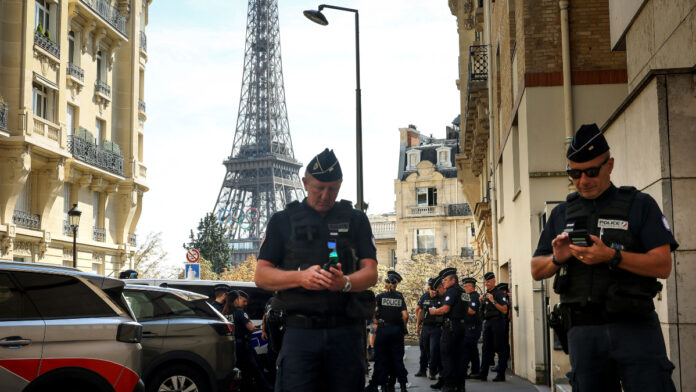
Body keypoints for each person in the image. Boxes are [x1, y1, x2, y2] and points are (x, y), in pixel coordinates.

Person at [531, 123, 678, 391]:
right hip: (584, 333)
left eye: (591, 171)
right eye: (574, 173)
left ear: (609, 165)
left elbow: (663, 264)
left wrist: (611, 256)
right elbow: (536, 269)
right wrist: (557, 258)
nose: (583, 180)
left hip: (635, 327)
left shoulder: (640, 205)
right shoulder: (561, 214)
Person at [254, 148, 378, 392]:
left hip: (345, 331)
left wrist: (345, 283)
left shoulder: (356, 219)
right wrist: (301, 277)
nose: (325, 195)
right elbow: (261, 276)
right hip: (300, 332)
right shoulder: (282, 220)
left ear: (341, 184)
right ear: (304, 182)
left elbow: (371, 273)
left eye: (333, 188)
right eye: (318, 188)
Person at [366, 271, 409, 392]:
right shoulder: (400, 298)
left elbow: (372, 311)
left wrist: (375, 321)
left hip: (383, 330)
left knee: (382, 358)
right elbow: (405, 316)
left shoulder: (379, 297)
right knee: (397, 359)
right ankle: (402, 385)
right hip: (396, 331)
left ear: (386, 285)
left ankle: (381, 384)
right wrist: (403, 327)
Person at [428, 268, 470, 392]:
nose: (444, 283)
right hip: (462, 327)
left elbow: (445, 309)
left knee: (447, 357)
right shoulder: (464, 292)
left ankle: (449, 385)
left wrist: (434, 311)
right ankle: (460, 385)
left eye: (446, 280)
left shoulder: (452, 291)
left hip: (451, 328)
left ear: (453, 280)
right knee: (459, 357)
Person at [223, 290, 273, 392]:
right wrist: (262, 328)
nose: (246, 304)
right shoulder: (240, 312)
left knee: (238, 370)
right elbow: (251, 328)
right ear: (237, 300)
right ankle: (268, 389)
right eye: (243, 301)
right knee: (255, 369)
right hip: (243, 347)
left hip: (231, 346)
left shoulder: (224, 312)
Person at [471, 272, 508, 382]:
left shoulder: (498, 294)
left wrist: (493, 300)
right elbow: (482, 311)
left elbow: (504, 310)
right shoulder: (486, 294)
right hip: (488, 323)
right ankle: (483, 374)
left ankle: (501, 374)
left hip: (498, 322)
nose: (486, 283)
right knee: (486, 348)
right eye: (485, 282)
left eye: (488, 281)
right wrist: (480, 301)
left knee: (500, 348)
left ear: (493, 281)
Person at [415, 278, 443, 380]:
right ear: (428, 289)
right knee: (424, 349)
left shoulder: (441, 297)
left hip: (436, 328)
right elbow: (419, 311)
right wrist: (418, 326)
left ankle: (432, 371)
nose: (434, 292)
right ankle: (422, 370)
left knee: (434, 350)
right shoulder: (424, 296)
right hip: (426, 327)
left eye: (436, 290)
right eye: (432, 290)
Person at [460, 277, 482, 379]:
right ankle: (475, 371)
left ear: (471, 287)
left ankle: (464, 371)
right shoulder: (466, 296)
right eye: (463, 286)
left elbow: (472, 310)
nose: (464, 287)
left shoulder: (473, 296)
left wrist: (462, 307)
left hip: (473, 327)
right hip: (468, 326)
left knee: (467, 350)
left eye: (466, 286)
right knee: (473, 350)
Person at [261, 293, 285, 383]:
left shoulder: (288, 300)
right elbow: (264, 316)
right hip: (272, 335)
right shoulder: (271, 301)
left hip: (283, 335)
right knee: (271, 359)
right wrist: (263, 331)